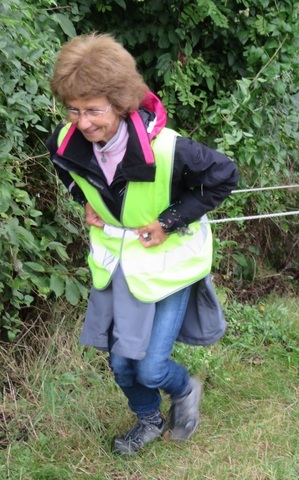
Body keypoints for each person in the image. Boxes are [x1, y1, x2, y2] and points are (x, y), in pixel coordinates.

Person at [46, 33, 238, 456]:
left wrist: (170, 221)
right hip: (119, 264)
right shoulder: (66, 142)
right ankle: (149, 420)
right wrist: (85, 202)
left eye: (94, 111)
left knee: (150, 365)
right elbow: (68, 172)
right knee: (119, 362)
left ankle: (185, 388)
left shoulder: (171, 149)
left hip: (168, 267)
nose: (83, 123)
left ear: (122, 103)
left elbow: (225, 175)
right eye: (74, 110)